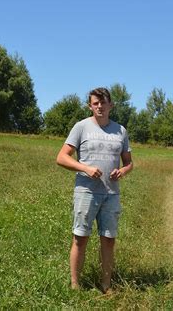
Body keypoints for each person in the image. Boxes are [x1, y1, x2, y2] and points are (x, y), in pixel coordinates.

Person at [56, 87, 133, 293]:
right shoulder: (81, 127)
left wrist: (123, 171)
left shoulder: (120, 131)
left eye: (103, 102)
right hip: (86, 192)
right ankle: (75, 285)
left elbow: (129, 163)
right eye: (95, 103)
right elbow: (61, 157)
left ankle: (106, 285)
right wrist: (85, 168)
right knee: (80, 238)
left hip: (111, 194)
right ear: (90, 105)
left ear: (111, 105)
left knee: (108, 240)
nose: (99, 106)